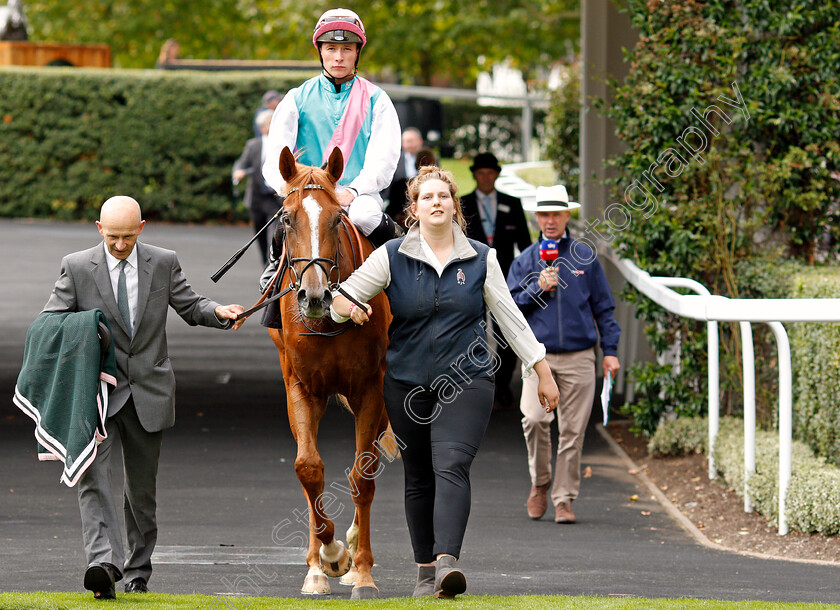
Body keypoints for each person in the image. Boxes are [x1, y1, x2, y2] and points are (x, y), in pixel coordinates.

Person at [330, 167, 560, 598]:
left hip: (466, 381)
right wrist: (349, 308)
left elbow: (511, 320)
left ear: (455, 205)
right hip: (407, 385)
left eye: (443, 196)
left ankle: (446, 566)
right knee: (418, 475)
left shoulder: (480, 257)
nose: (436, 202)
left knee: (451, 464)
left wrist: (541, 371)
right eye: (427, 197)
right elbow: (341, 297)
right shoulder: (392, 255)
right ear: (413, 209)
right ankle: (423, 572)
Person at [41, 196, 244, 599]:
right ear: (99, 229)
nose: (120, 244)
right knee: (92, 478)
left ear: (142, 228)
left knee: (141, 494)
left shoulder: (163, 261)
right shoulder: (77, 266)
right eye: (113, 236)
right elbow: (51, 321)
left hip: (148, 393)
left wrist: (219, 311)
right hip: (94, 393)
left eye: (128, 236)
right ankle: (102, 564)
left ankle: (137, 571)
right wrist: (89, 329)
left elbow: (189, 305)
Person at [506, 184, 621, 524]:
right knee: (535, 419)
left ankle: (564, 497)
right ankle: (540, 483)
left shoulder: (585, 258)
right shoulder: (525, 260)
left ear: (568, 215)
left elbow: (604, 307)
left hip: (580, 356)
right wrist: (536, 289)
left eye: (557, 213)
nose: (550, 220)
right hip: (537, 358)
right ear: (537, 218)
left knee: (572, 430)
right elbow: (509, 308)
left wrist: (610, 351)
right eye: (544, 214)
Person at [262, 7, 403, 247]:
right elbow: (275, 158)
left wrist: (354, 191)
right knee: (285, 225)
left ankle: (404, 259)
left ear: (357, 52)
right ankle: (271, 276)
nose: (339, 56)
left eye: (347, 49)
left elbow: (384, 161)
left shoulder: (377, 99)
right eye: (331, 48)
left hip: (359, 194)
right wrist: (291, 189)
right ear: (320, 51)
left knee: (364, 217)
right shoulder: (295, 98)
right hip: (307, 192)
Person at [461, 152, 532, 407]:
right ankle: (476, 385)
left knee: (506, 330)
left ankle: (502, 384)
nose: (486, 178)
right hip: (471, 276)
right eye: (481, 174)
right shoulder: (463, 204)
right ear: (474, 175)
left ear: (497, 174)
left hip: (506, 277)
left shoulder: (511, 203)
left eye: (490, 173)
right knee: (473, 331)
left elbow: (525, 244)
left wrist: (526, 276)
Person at [233, 109, 283, 264]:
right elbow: (241, 163)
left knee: (273, 237)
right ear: (262, 128)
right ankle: (265, 265)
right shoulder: (253, 145)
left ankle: (272, 266)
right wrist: (238, 172)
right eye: (269, 123)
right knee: (259, 236)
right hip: (256, 198)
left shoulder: (283, 143)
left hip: (275, 198)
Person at [382, 126, 424, 223]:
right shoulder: (394, 160)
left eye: (410, 141)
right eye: (405, 141)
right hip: (398, 207)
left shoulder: (429, 159)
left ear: (420, 142)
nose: (407, 144)